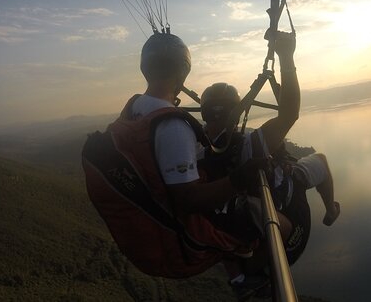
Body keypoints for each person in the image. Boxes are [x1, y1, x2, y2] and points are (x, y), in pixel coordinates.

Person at [82, 31, 266, 278]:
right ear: (183, 72)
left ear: (145, 68)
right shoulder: (173, 126)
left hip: (146, 234)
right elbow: (189, 201)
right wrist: (240, 179)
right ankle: (250, 279)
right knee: (262, 222)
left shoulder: (133, 108)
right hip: (178, 246)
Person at [199, 31, 340, 292]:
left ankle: (330, 210)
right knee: (319, 161)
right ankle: (330, 210)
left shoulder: (198, 149)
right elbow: (289, 113)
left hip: (270, 197)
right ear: (237, 112)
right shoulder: (248, 144)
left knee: (317, 160)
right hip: (287, 214)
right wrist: (286, 57)